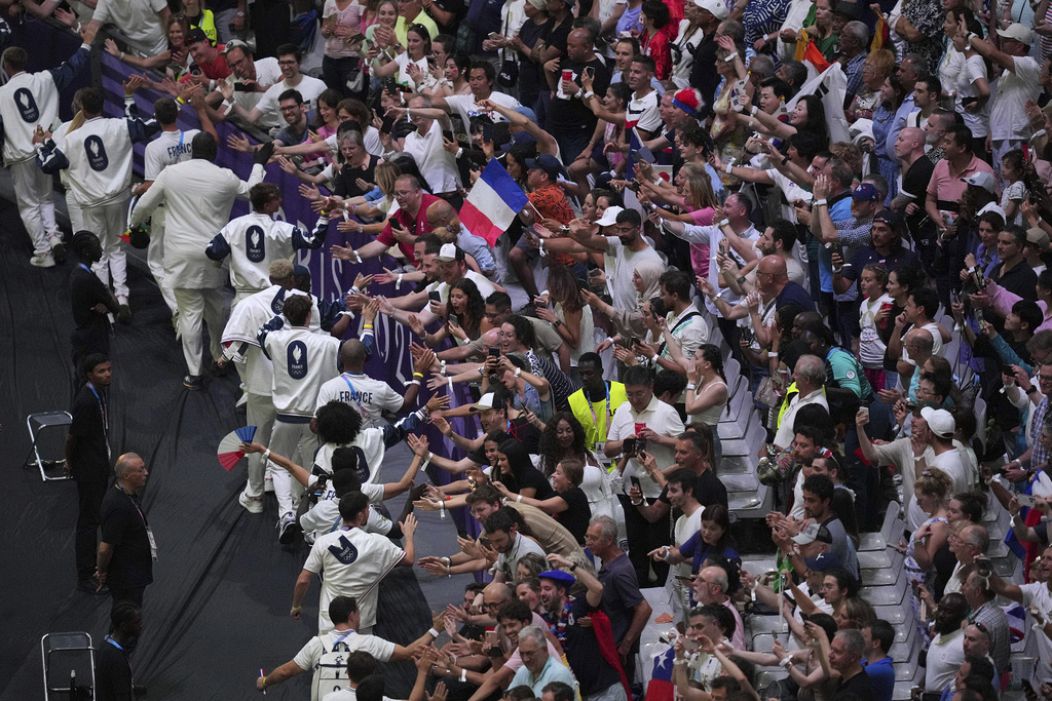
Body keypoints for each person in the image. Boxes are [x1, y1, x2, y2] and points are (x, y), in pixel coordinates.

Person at [130, 132, 271, 388]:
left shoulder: (171, 174)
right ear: (214, 153)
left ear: (191, 150)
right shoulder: (225, 177)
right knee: (217, 309)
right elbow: (254, 192)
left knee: (190, 314)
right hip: (214, 255)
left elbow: (144, 204)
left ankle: (194, 373)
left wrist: (134, 225)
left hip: (180, 256)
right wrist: (259, 162)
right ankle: (219, 355)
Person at [38, 84, 162, 319]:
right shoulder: (119, 126)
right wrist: (177, 100)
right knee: (117, 247)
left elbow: (48, 165)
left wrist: (40, 144)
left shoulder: (70, 137)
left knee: (97, 251)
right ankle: (123, 297)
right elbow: (153, 124)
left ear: (81, 108)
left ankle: (106, 306)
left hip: (89, 202)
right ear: (101, 105)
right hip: (119, 199)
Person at [258, 294, 344, 540]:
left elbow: (261, 333)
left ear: (287, 316)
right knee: (312, 470)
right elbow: (357, 352)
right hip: (316, 419)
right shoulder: (328, 343)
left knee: (279, 464)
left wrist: (279, 316)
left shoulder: (274, 339)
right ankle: (312, 527)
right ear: (309, 316)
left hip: (285, 417)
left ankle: (286, 515)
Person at [0, 37, 91, 267]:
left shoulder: (1, 94)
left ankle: (43, 251)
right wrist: (86, 43)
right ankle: (54, 237)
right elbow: (73, 67)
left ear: (6, 66)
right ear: (24, 62)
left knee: (28, 205)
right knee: (46, 197)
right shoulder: (44, 79)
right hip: (44, 150)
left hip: (20, 155)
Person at [292, 493, 417, 634]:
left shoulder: (323, 542)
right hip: (361, 622)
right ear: (360, 515)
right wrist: (409, 537)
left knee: (328, 656)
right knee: (361, 657)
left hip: (329, 621)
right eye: (367, 510)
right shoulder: (377, 542)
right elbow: (409, 560)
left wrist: (296, 605)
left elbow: (303, 580)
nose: (369, 513)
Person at [258, 595, 431, 695]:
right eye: (358, 612)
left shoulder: (317, 644)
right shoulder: (368, 642)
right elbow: (409, 652)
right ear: (352, 616)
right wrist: (436, 629)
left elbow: (284, 672)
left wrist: (265, 681)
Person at [205, 183, 329, 304]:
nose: (280, 200)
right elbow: (314, 241)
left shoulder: (234, 226)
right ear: (266, 205)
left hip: (243, 299)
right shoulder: (284, 230)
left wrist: (227, 259)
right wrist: (324, 214)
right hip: (275, 299)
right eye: (276, 198)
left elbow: (212, 251)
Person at [67, 354, 114, 594]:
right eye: (101, 371)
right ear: (89, 375)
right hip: (90, 469)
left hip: (97, 463)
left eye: (108, 369)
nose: (107, 374)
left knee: (94, 518)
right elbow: (73, 436)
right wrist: (69, 462)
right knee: (88, 522)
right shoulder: (86, 401)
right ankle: (85, 575)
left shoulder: (99, 393)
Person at [97, 453, 154, 609]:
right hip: (126, 577)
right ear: (127, 475)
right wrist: (102, 571)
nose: (146, 473)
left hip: (134, 572)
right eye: (141, 470)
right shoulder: (118, 506)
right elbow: (105, 548)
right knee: (126, 618)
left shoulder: (128, 496)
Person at [69, 232, 120, 370]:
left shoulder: (77, 273)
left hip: (85, 336)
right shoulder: (88, 279)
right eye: (97, 246)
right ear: (86, 252)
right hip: (94, 338)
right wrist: (106, 290)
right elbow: (115, 307)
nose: (101, 250)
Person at [509, 625, 579, 697]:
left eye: (530, 653)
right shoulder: (522, 671)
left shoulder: (559, 673)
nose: (525, 659)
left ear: (545, 650)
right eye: (521, 654)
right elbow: (507, 698)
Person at [94, 602, 142, 701]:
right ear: (124, 626)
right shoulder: (116, 658)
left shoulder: (105, 644)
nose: (141, 626)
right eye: (136, 623)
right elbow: (121, 695)